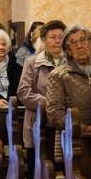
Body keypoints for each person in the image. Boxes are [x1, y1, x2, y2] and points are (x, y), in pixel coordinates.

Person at [18, 20, 66, 150]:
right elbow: (23, 92)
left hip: (64, 124)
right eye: (53, 37)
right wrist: (50, 103)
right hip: (38, 124)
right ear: (43, 40)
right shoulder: (32, 62)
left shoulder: (70, 63)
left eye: (61, 37)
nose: (58, 41)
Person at [46, 24, 91, 133]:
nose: (79, 46)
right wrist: (83, 128)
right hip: (73, 138)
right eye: (73, 42)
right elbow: (54, 113)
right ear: (68, 50)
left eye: (83, 40)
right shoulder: (58, 76)